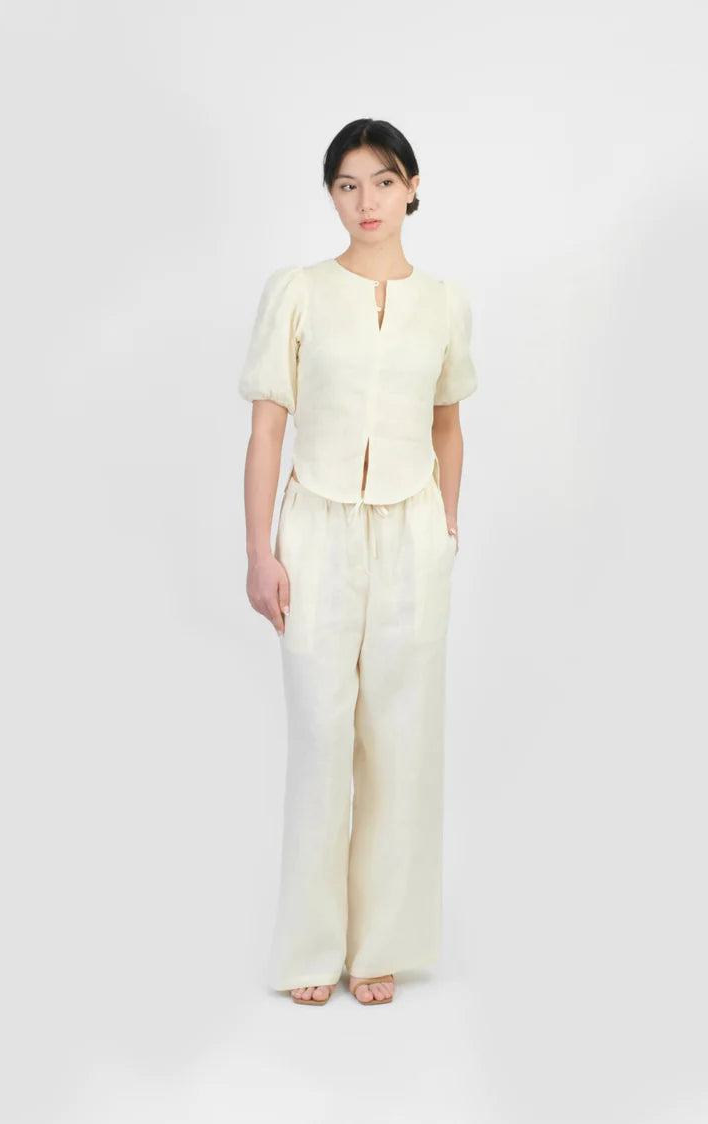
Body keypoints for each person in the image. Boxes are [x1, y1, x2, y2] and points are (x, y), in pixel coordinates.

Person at [238, 118, 478, 1006]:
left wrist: (446, 525)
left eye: (382, 181)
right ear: (331, 195)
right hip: (317, 529)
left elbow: (449, 422)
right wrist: (259, 551)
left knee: (401, 740)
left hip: (413, 535)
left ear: (412, 186)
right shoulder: (298, 291)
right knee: (319, 736)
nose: (365, 200)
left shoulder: (445, 303)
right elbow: (268, 429)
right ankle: (312, 947)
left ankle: (380, 944)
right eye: (347, 184)